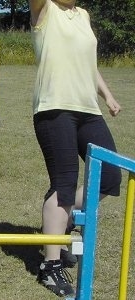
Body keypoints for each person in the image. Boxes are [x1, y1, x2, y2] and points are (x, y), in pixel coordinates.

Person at [28, 0, 122, 297]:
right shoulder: (44, 10)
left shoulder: (83, 15)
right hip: (55, 108)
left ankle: (60, 224)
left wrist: (107, 96)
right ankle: (50, 266)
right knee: (64, 184)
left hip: (87, 110)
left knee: (109, 177)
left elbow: (87, 64)